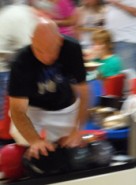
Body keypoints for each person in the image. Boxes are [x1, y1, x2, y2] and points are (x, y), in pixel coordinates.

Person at [8, 18, 89, 159]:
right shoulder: (20, 61)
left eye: (51, 51)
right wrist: (34, 140)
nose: (46, 57)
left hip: (65, 106)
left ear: (60, 41)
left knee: (70, 150)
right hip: (32, 110)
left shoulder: (72, 49)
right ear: (32, 41)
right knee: (31, 149)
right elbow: (17, 110)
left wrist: (77, 130)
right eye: (39, 51)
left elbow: (84, 94)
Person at [0, 4, 39, 144]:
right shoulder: (23, 14)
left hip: (6, 66)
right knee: (7, 116)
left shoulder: (14, 11)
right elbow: (28, 46)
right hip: (4, 69)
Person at [104, 0, 136, 75]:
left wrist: (116, 3)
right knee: (112, 76)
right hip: (111, 40)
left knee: (128, 77)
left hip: (127, 41)